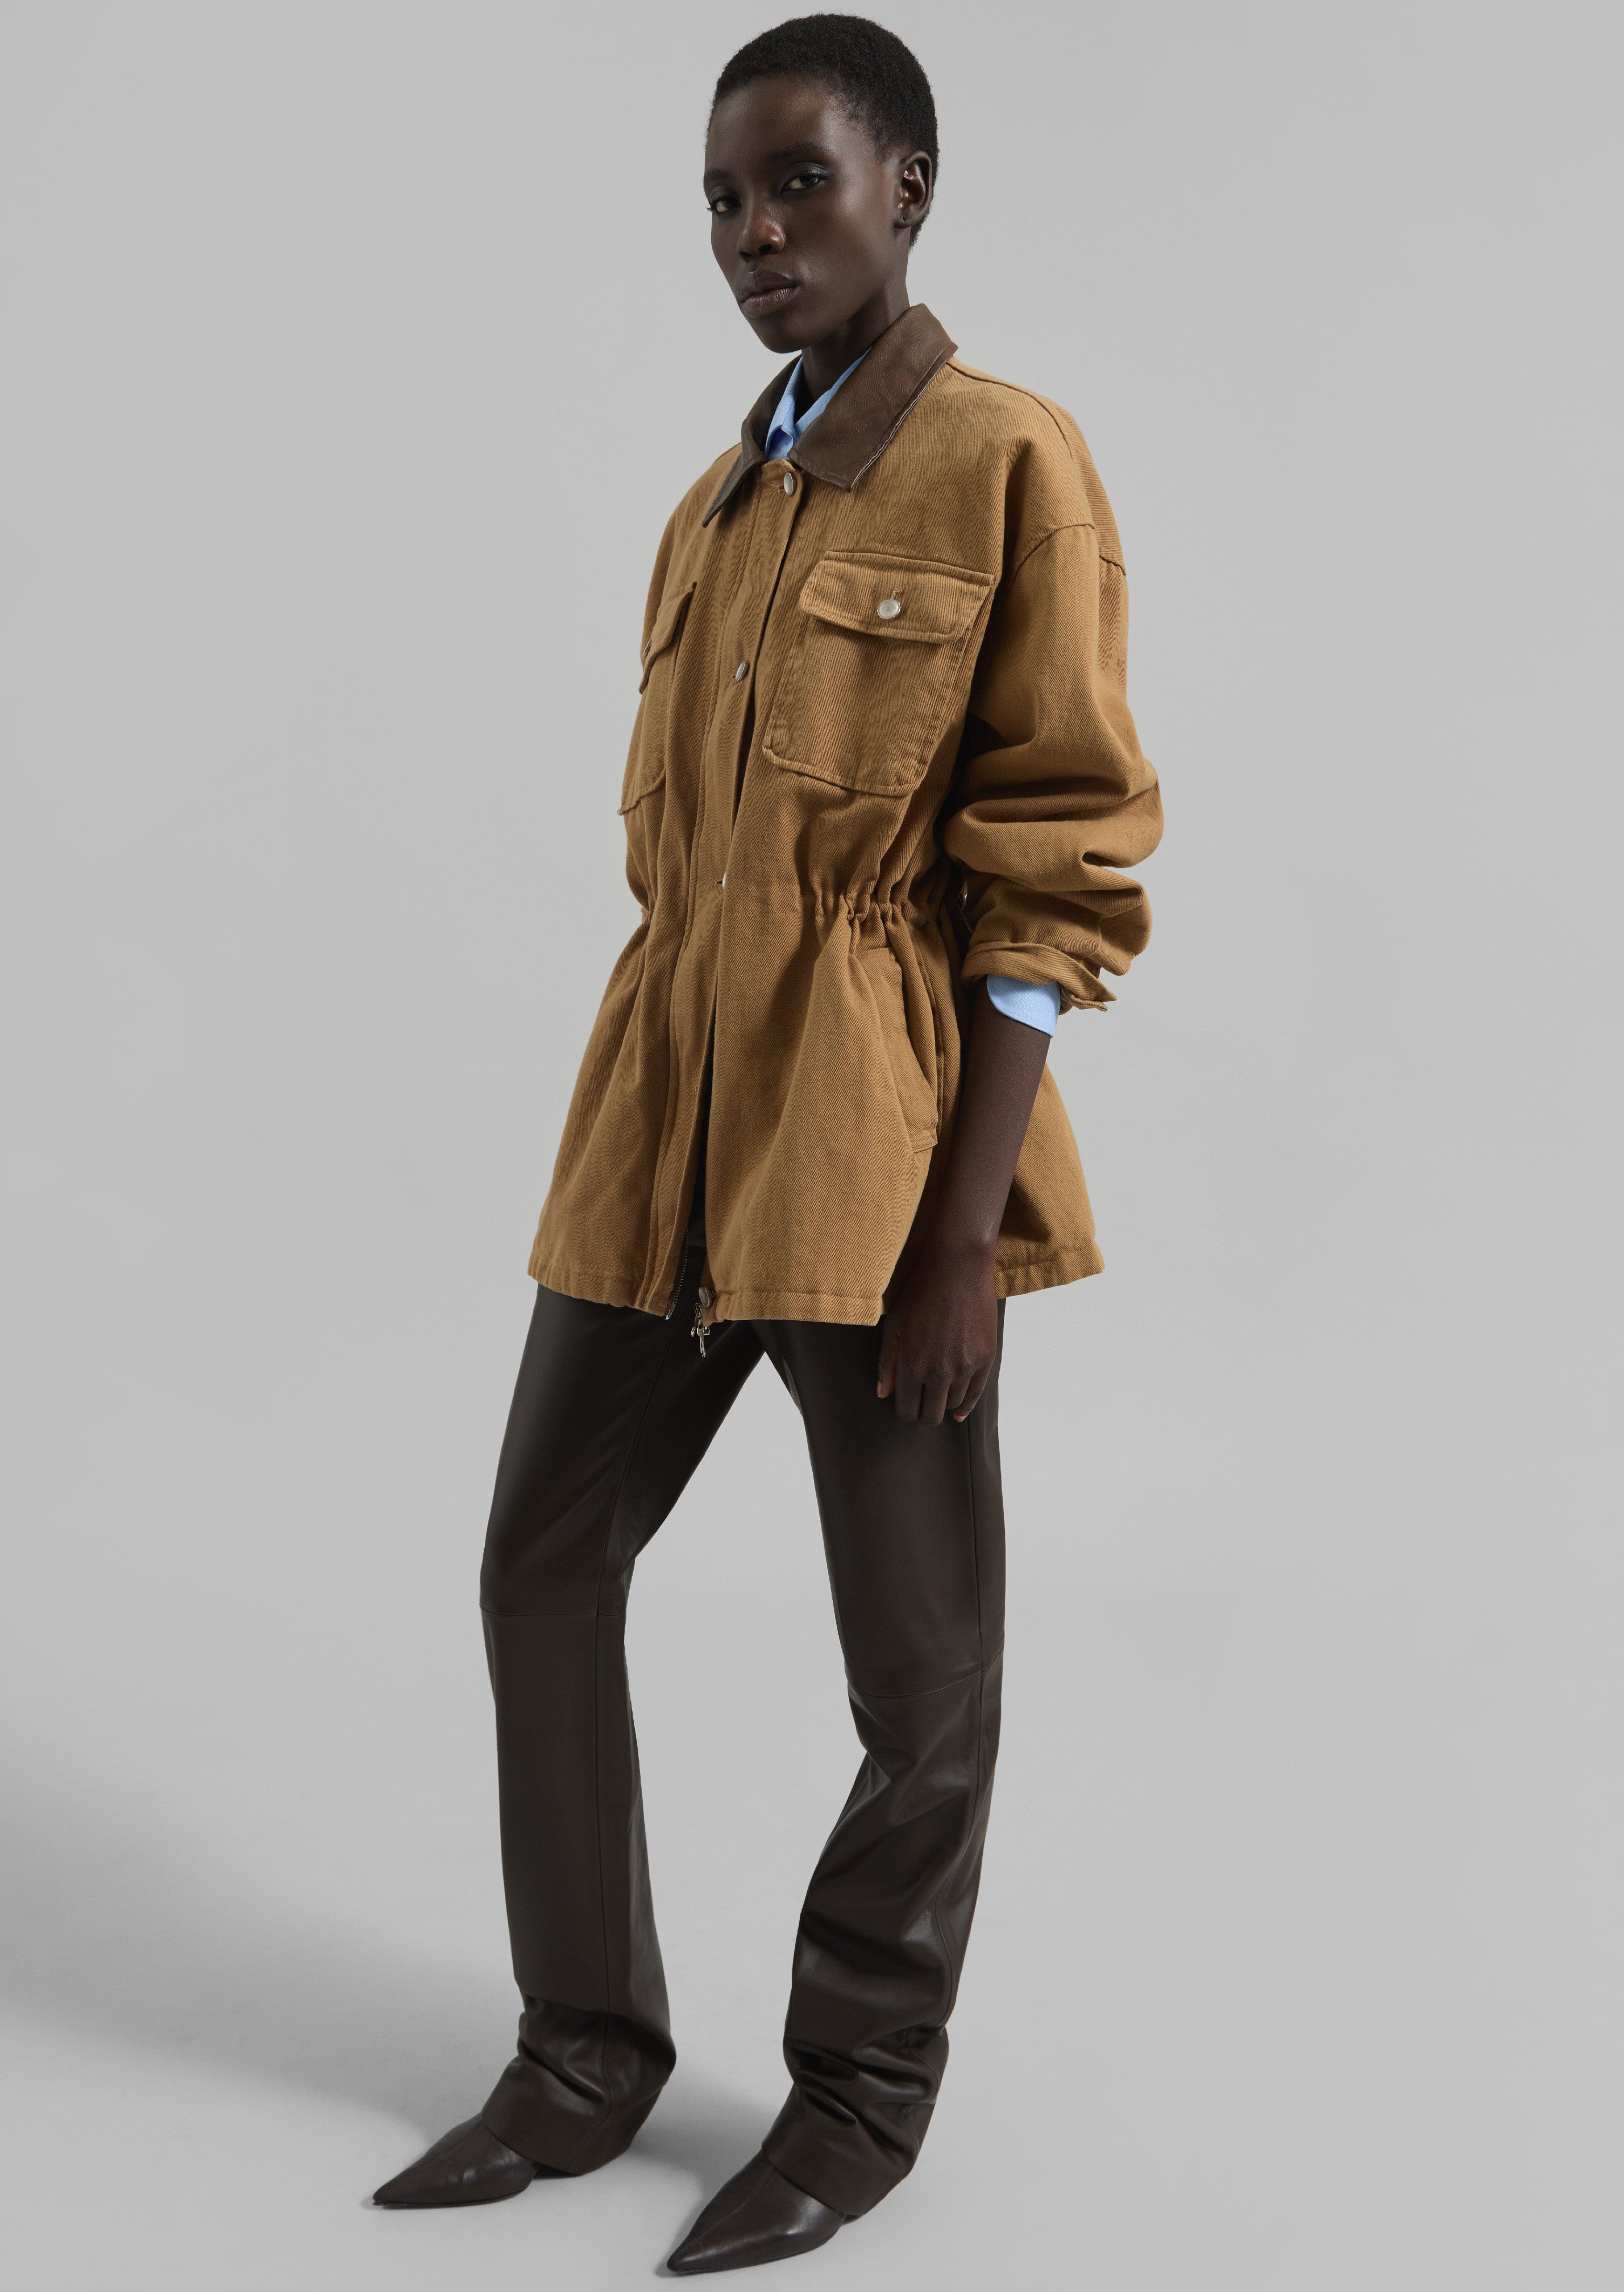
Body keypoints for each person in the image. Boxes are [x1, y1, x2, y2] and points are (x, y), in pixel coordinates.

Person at [372, 12, 1161, 2273]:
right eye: (723, 199)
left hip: (873, 1152)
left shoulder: (1011, 463)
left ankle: (863, 2095)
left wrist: (958, 1239)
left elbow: (1057, 870)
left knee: (920, 1674)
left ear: (909, 186)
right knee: (539, 1563)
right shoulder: (711, 509)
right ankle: (583, 2052)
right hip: (657, 1128)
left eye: (799, 181)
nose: (754, 233)